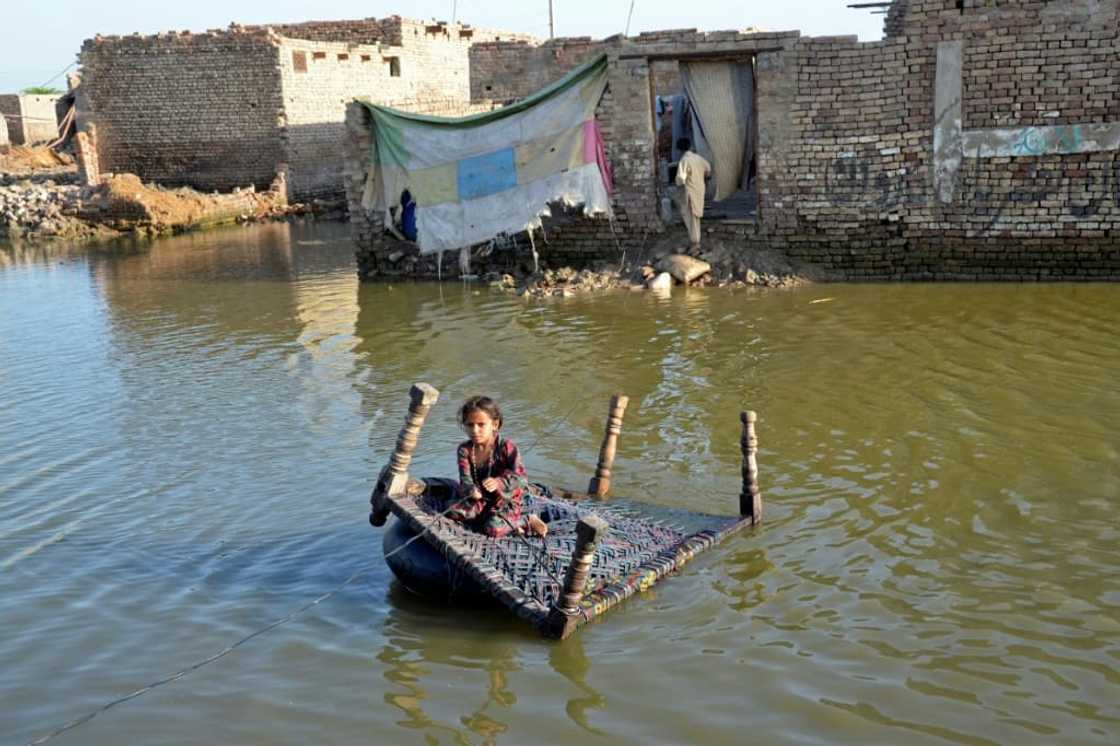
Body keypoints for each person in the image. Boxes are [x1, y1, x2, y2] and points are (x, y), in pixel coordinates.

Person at [446, 396, 547, 538]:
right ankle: (499, 520)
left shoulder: (507, 447)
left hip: (506, 500)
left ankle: (526, 520)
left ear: (494, 424)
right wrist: (471, 489)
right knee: (453, 512)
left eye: (481, 424)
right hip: (481, 498)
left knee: (493, 529)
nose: (475, 430)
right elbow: (465, 479)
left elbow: (521, 478)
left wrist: (498, 482)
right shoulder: (464, 450)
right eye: (470, 425)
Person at [674, 137, 712, 253]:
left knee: (691, 217)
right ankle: (695, 241)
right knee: (696, 216)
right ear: (690, 147)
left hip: (689, 192)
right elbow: (708, 170)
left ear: (679, 150)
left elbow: (680, 179)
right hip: (699, 190)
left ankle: (695, 242)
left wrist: (677, 181)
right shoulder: (699, 158)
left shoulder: (684, 161)